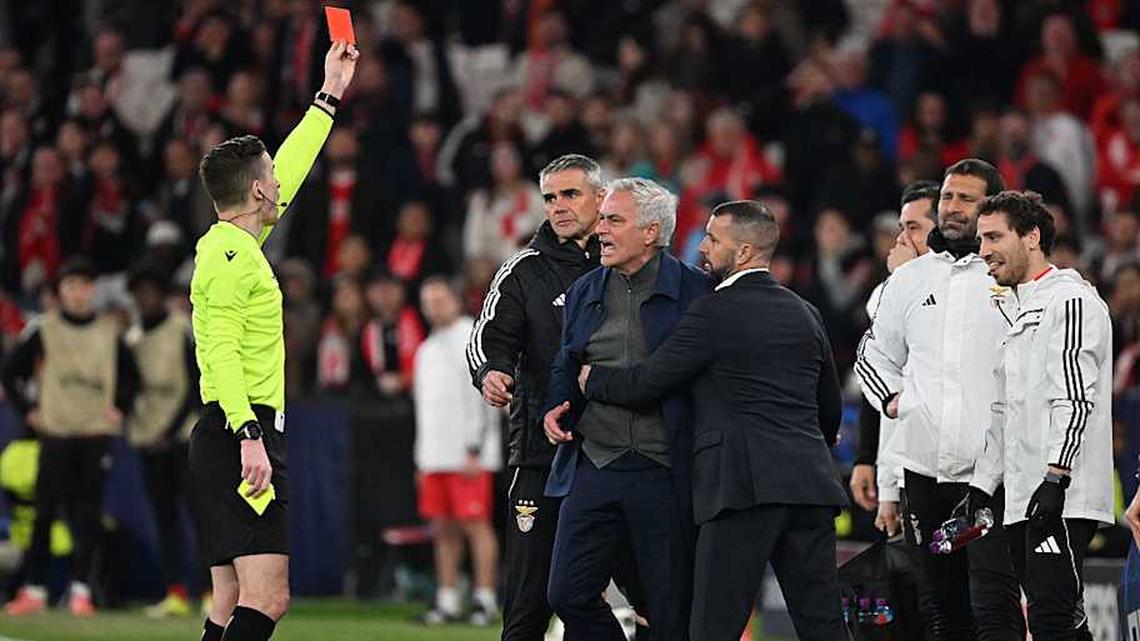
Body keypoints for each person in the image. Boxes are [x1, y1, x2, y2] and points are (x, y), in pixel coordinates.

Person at [575, 200, 848, 641]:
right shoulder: (805, 311)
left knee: (712, 628)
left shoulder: (713, 311)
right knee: (824, 625)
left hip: (739, 488)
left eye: (713, 239)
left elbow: (649, 381)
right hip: (809, 487)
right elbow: (829, 407)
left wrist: (594, 380)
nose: (702, 248)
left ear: (744, 252)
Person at [187, 41, 357, 641]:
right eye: (270, 177)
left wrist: (329, 94)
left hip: (227, 431)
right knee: (268, 597)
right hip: (242, 430)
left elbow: (293, 162)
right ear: (258, 192)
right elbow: (221, 352)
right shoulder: (233, 259)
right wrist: (249, 435)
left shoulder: (233, 246)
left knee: (230, 600)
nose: (279, 180)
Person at [855, 159, 1024, 641]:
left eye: (966, 198)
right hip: (925, 473)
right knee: (943, 610)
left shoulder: (1011, 279)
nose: (952, 206)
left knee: (994, 607)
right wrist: (892, 399)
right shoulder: (911, 279)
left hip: (994, 474)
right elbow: (872, 353)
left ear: (991, 207)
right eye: (948, 196)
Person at [542, 177, 712, 641]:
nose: (600, 230)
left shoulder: (697, 293)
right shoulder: (584, 289)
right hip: (595, 462)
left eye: (614, 220)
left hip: (665, 468)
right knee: (567, 593)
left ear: (651, 232)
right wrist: (556, 405)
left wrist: (597, 382)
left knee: (669, 612)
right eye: (602, 220)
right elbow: (566, 360)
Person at [465, 154, 603, 641]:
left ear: (600, 198)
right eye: (550, 197)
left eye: (571, 194)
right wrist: (491, 371)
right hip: (541, 456)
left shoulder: (623, 265)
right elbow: (488, 336)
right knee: (528, 601)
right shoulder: (523, 270)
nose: (558, 206)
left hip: (616, 452)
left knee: (635, 595)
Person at [969, 191, 1113, 641]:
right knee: (1057, 619)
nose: (983, 251)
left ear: (1031, 237)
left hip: (1060, 493)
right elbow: (1003, 411)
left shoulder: (1069, 300)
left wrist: (1056, 477)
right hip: (1021, 496)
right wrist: (981, 485)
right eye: (980, 239)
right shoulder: (1016, 307)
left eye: (994, 237)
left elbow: (1076, 397)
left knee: (1052, 619)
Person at [1, 256, 141, 616]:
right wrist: (28, 411)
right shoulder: (44, 329)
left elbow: (132, 377)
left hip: (95, 432)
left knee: (89, 514)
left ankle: (81, 591)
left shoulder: (109, 331)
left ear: (93, 290)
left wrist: (120, 406)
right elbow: (10, 373)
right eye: (71, 286)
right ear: (61, 291)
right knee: (44, 512)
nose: (78, 293)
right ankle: (34, 590)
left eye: (85, 286)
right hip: (56, 431)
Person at [850, 180, 940, 535]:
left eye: (913, 228)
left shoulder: (965, 291)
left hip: (954, 471)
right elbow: (882, 381)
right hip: (905, 469)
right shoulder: (889, 292)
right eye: (901, 228)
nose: (901, 239)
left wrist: (904, 277)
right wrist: (868, 462)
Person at [414, 277, 502, 626]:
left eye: (439, 300)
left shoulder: (472, 338)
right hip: (434, 455)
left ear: (455, 300)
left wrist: (474, 448)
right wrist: (421, 459)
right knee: (443, 529)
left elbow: (481, 398)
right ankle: (448, 599)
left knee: (476, 525)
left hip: (467, 455)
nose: (433, 308)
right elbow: (424, 408)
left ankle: (485, 599)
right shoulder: (425, 349)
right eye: (428, 302)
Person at [125, 263, 200, 618]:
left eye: (152, 291)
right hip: (148, 438)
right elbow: (127, 389)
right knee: (164, 517)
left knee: (199, 515)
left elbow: (196, 386)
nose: (146, 298)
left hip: (184, 437)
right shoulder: (132, 339)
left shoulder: (182, 330)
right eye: (140, 292)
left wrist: (168, 433)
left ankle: (213, 591)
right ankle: (176, 592)